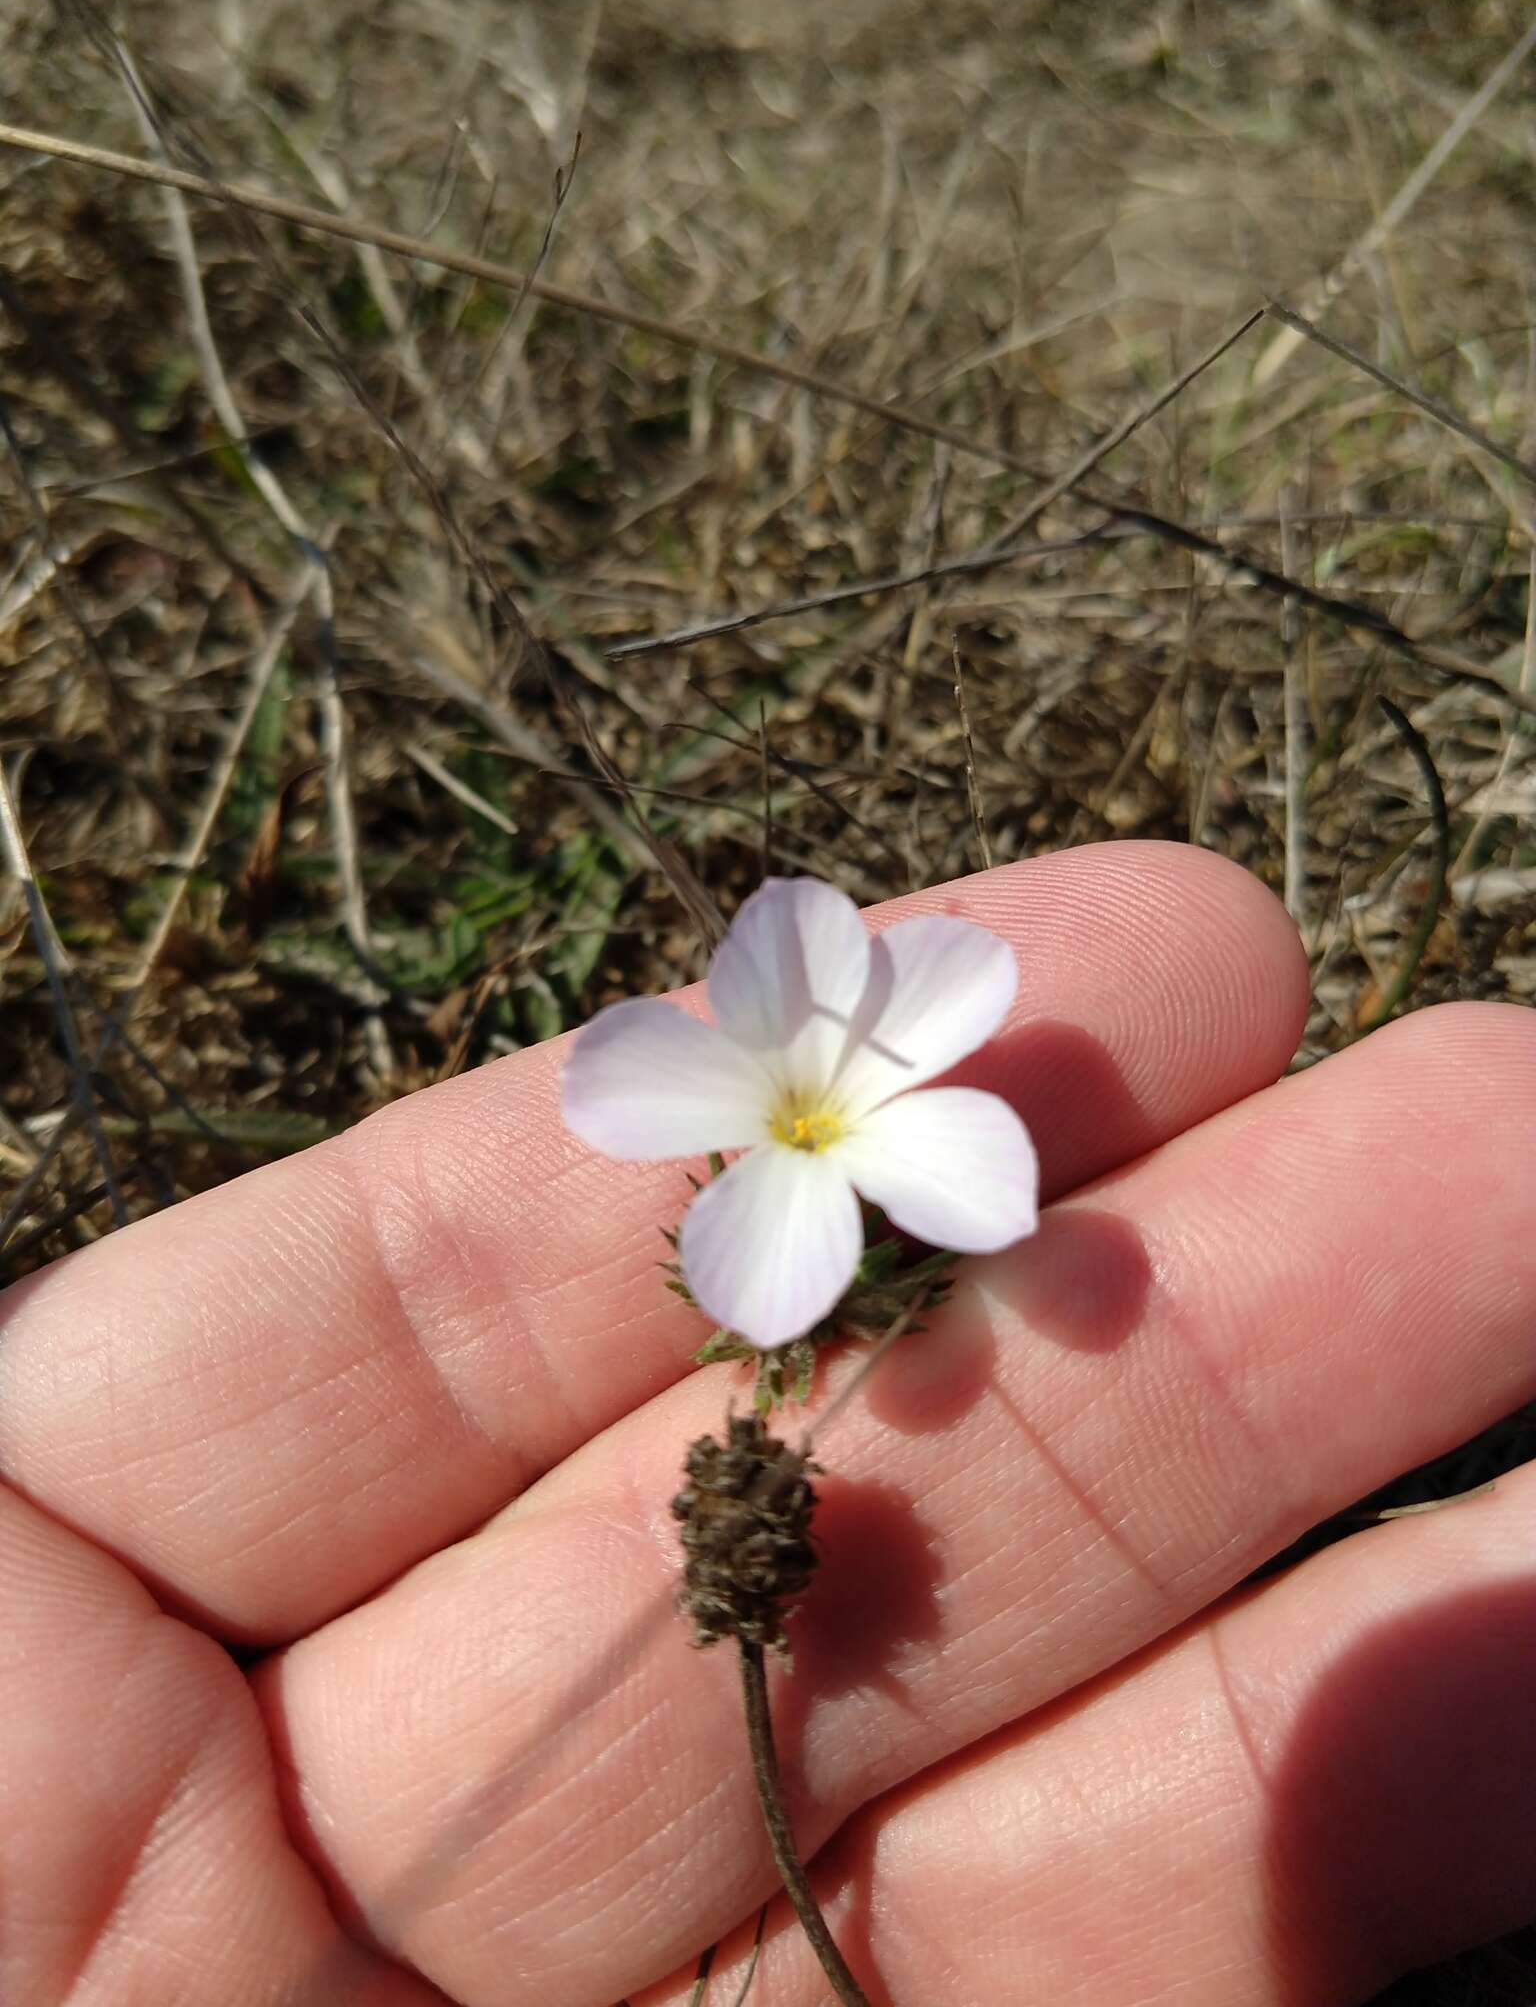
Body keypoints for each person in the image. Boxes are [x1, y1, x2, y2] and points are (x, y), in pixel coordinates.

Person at [1, 840, 1532, 2007]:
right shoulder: (723, 1102)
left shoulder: (881, 1118)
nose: (804, 1123)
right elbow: (658, 1098)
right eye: (791, 1120)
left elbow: (952, 1119)